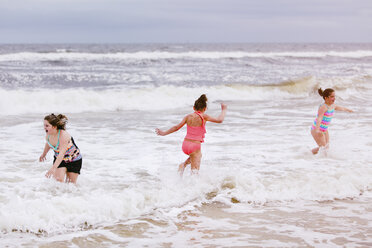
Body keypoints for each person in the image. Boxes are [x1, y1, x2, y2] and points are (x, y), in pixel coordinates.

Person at [156, 94, 227, 175]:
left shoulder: (188, 116)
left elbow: (176, 127)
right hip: (195, 145)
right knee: (195, 173)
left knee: (197, 156)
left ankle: (183, 165)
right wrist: (224, 110)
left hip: (185, 145)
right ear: (205, 108)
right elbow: (220, 120)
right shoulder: (204, 116)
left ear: (193, 108)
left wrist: (164, 133)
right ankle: (190, 184)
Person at [39, 114, 82, 183]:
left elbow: (62, 153)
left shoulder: (63, 135)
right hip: (60, 160)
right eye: (44, 125)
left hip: (74, 160)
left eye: (47, 126)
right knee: (58, 180)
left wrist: (53, 168)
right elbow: (48, 144)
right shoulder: (48, 135)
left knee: (70, 185)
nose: (44, 128)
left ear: (54, 127)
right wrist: (44, 154)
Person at [311, 88, 353, 154]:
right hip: (317, 129)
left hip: (325, 130)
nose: (334, 98)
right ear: (326, 98)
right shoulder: (323, 107)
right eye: (332, 97)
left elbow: (341, 108)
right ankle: (310, 155)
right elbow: (319, 118)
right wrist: (317, 130)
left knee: (326, 148)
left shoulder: (333, 106)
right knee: (323, 149)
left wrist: (349, 110)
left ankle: (309, 154)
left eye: (334, 96)